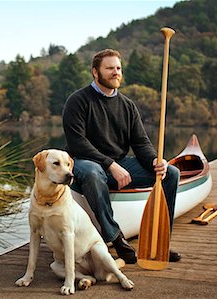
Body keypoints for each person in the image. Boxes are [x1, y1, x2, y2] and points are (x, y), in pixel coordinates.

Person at [62, 49, 181, 264]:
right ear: (95, 73)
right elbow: (77, 143)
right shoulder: (78, 101)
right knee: (92, 172)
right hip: (82, 162)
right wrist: (110, 165)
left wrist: (155, 160)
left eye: (118, 68)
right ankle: (115, 237)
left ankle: (158, 241)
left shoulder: (127, 106)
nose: (116, 72)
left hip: (119, 163)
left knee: (171, 173)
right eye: (109, 68)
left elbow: (141, 143)